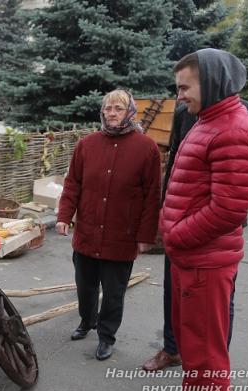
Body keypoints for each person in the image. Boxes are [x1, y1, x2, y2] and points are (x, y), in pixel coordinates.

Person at [142, 98, 248, 373]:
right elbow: (176, 163)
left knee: (217, 300)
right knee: (173, 289)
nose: (181, 95)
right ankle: (172, 349)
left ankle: (213, 361)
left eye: (186, 86)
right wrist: (165, 209)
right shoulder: (185, 113)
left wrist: (229, 188)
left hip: (216, 228)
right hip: (178, 223)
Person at [160, 49, 248, 391]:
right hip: (192, 257)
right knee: (193, 343)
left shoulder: (232, 128)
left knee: (205, 352)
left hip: (203, 261)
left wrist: (176, 235)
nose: (180, 95)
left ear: (213, 81)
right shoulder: (209, 120)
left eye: (185, 87)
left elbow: (228, 210)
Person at [56, 89, 161, 361]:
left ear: (130, 112)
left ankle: (106, 336)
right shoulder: (87, 145)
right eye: (108, 108)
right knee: (85, 286)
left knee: (114, 293)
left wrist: (146, 236)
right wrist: (64, 217)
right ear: (102, 112)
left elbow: (152, 196)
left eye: (118, 108)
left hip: (121, 236)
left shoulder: (146, 148)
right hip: (87, 233)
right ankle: (86, 321)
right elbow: (72, 184)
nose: (112, 113)